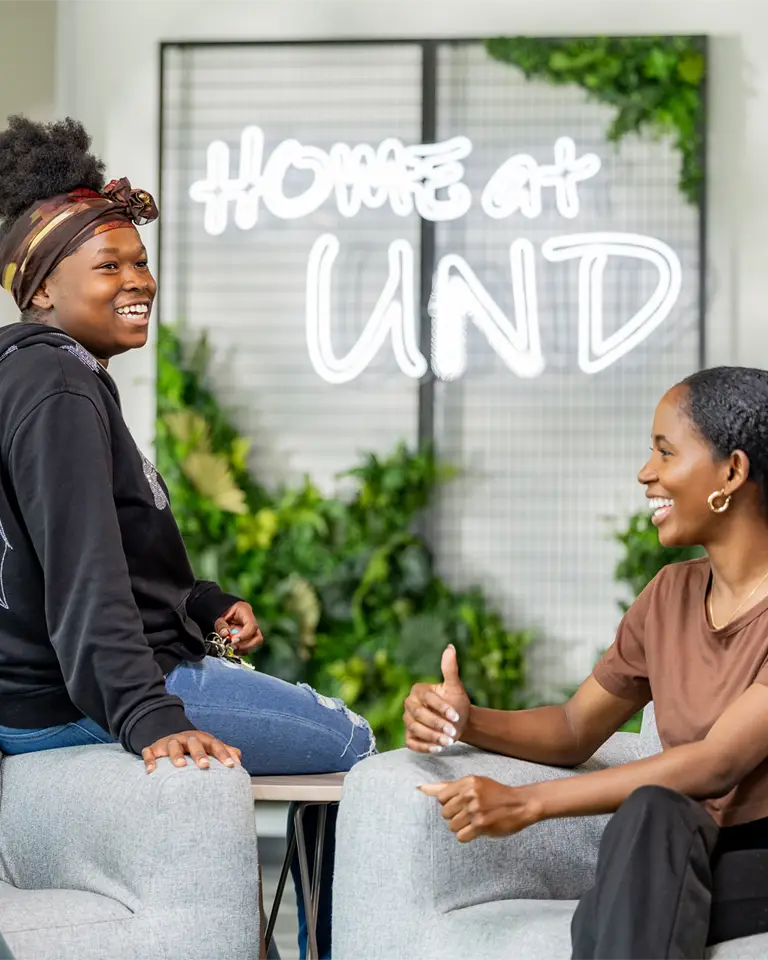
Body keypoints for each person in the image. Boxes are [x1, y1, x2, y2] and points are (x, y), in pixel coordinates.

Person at [0, 116, 374, 960]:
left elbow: (67, 549)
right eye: (109, 266)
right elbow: (81, 571)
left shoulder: (42, 374)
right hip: (81, 699)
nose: (138, 279)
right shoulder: (57, 382)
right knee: (353, 744)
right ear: (42, 289)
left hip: (61, 689)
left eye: (140, 260)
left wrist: (204, 603)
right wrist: (146, 714)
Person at [405, 367, 768, 958]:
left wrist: (527, 803)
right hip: (682, 849)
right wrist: (467, 721)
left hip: (756, 858)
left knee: (637, 850)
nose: (645, 473)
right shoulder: (670, 595)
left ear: (732, 471)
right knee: (648, 831)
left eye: (665, 451)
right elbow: (574, 729)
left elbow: (716, 762)